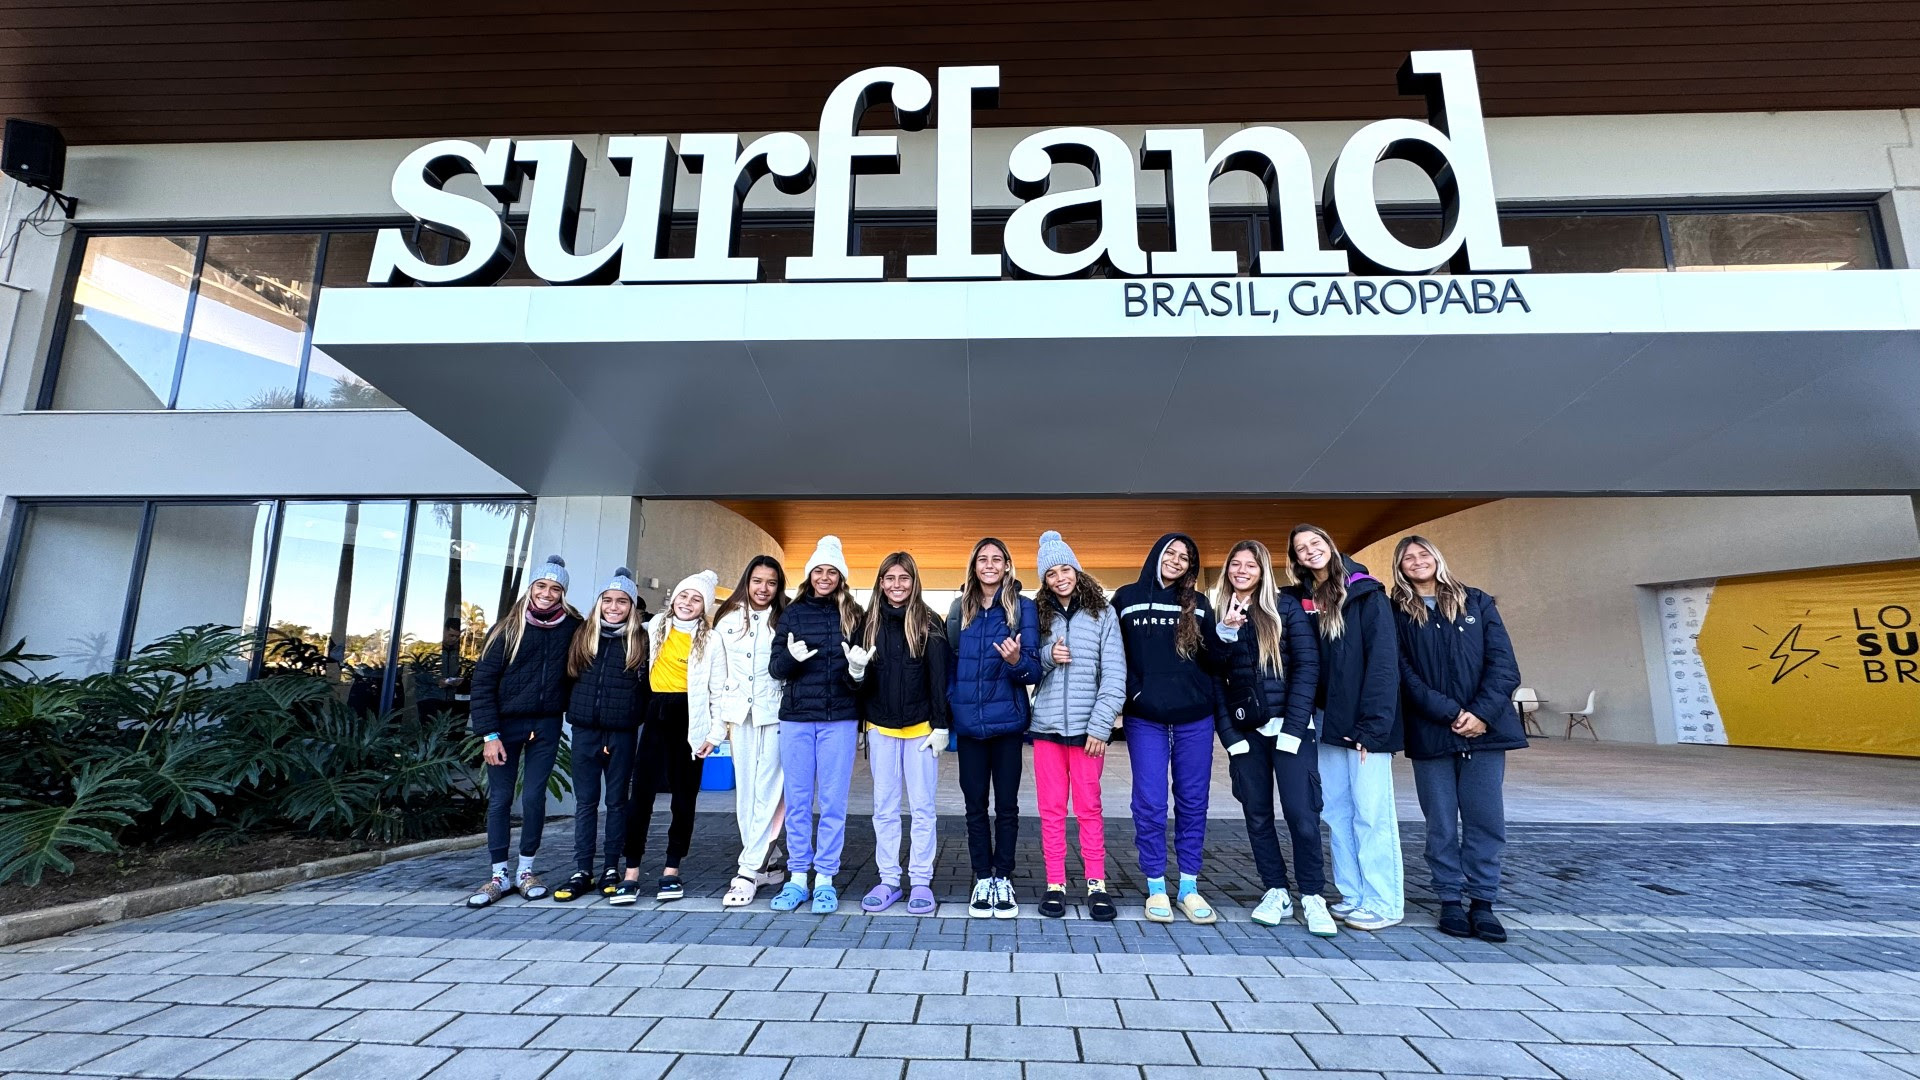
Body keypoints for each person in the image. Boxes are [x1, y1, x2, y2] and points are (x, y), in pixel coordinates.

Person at [1390, 535, 1524, 943]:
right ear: (1400, 567)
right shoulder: (1396, 610)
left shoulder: (1476, 602)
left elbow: (1503, 665)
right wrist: (1449, 713)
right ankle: (1449, 898)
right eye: (1408, 558)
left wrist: (1480, 713)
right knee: (1441, 823)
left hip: (1486, 731)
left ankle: (1482, 902)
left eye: (1422, 554)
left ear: (1436, 557)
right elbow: (1402, 672)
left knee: (1486, 820)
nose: (1417, 561)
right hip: (1432, 732)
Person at [1285, 524, 1405, 932]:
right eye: (1302, 549)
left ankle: (1384, 902)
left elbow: (1384, 663)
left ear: (1331, 546)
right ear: (1296, 559)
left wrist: (1373, 726)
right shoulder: (1302, 600)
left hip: (1364, 725)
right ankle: (1353, 894)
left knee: (1372, 813)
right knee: (1337, 811)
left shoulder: (1367, 594)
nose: (1310, 552)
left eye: (1316, 543)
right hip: (1326, 721)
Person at [1211, 540, 1335, 936]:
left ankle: (1313, 896)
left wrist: (1294, 730)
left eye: (1250, 564)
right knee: (1258, 815)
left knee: (1302, 816)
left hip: (1291, 731)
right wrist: (1231, 737)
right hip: (1248, 736)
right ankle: (1276, 890)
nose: (1241, 570)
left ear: (1263, 570)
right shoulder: (1219, 614)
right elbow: (1212, 676)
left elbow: (1307, 669)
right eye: (1235, 564)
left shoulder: (1286, 609)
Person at [1113, 532, 1229, 923]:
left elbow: (1215, 661)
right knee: (1149, 800)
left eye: (1185, 558)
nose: (1177, 561)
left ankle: (1190, 887)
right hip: (1145, 717)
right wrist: (1135, 693)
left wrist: (1224, 633)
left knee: (1193, 800)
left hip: (1195, 717)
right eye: (1171, 553)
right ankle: (1156, 885)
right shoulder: (1126, 599)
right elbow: (1115, 656)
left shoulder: (1198, 604)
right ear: (1156, 554)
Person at [466, 555, 581, 908]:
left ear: (563, 593)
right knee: (501, 799)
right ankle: (498, 874)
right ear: (531, 588)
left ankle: (526, 870)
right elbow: (482, 684)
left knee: (533, 798)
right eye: (542, 586)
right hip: (503, 728)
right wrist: (489, 734)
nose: (547, 594)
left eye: (555, 588)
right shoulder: (506, 629)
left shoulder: (573, 627)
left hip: (546, 725)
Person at [611, 570, 724, 905]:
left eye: (696, 599)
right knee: (641, 796)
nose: (688, 603)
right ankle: (631, 870)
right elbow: (616, 623)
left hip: (691, 720)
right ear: (673, 598)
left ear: (704, 607)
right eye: (684, 596)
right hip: (655, 715)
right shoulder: (656, 625)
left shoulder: (712, 639)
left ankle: (672, 869)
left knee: (683, 799)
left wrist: (715, 734)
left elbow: (718, 691)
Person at [766, 535, 866, 914]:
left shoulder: (854, 615)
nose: (824, 577)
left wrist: (857, 672)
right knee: (798, 802)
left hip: (839, 720)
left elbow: (862, 673)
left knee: (833, 801)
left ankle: (824, 879)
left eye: (831, 571)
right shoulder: (791, 612)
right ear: (809, 575)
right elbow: (776, 668)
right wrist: (790, 659)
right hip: (796, 720)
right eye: (818, 571)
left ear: (841, 576)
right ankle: (796, 878)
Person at [1030, 531, 1125, 921]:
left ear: (1077, 570)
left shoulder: (1103, 614)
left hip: (1089, 733)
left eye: (1065, 568)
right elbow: (1026, 667)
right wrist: (1047, 655)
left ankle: (1096, 884)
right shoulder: (1038, 615)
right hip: (1047, 729)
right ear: (1044, 580)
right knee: (1051, 811)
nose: (1059, 577)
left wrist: (1101, 727)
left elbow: (1115, 674)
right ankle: (1055, 883)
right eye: (1050, 573)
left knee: (1089, 810)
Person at [946, 537, 1041, 919]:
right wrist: (953, 704)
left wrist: (1017, 660)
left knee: (1007, 806)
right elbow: (950, 666)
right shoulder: (959, 610)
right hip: (969, 725)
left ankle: (1004, 876)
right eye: (982, 559)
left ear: (1006, 566)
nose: (989, 565)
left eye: (996, 559)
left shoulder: (1023, 608)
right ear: (974, 566)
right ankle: (982, 877)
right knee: (973, 806)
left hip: (1007, 725)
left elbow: (1033, 668)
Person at [853, 552, 949, 916]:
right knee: (885, 808)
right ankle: (889, 879)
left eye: (903, 578)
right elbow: (856, 682)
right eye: (889, 578)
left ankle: (921, 880)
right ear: (880, 582)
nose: (896, 585)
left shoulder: (928, 622)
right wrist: (857, 673)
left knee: (923, 808)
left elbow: (939, 679)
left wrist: (941, 725)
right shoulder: (867, 623)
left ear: (914, 581)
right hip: (881, 728)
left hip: (921, 729)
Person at [552, 567, 649, 903]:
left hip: (621, 733)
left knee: (617, 801)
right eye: (607, 600)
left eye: (621, 601)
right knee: (586, 802)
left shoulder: (641, 640)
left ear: (632, 607)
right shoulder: (581, 635)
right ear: (598, 604)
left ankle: (611, 867)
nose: (613, 606)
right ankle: (582, 868)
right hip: (585, 730)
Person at [706, 556, 790, 908]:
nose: (763, 588)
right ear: (747, 581)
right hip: (739, 715)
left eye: (771, 582)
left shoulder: (785, 619)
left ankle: (746, 869)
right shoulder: (726, 620)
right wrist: (715, 725)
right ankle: (767, 861)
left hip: (775, 715)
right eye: (758, 580)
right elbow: (716, 674)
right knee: (747, 794)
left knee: (770, 792)